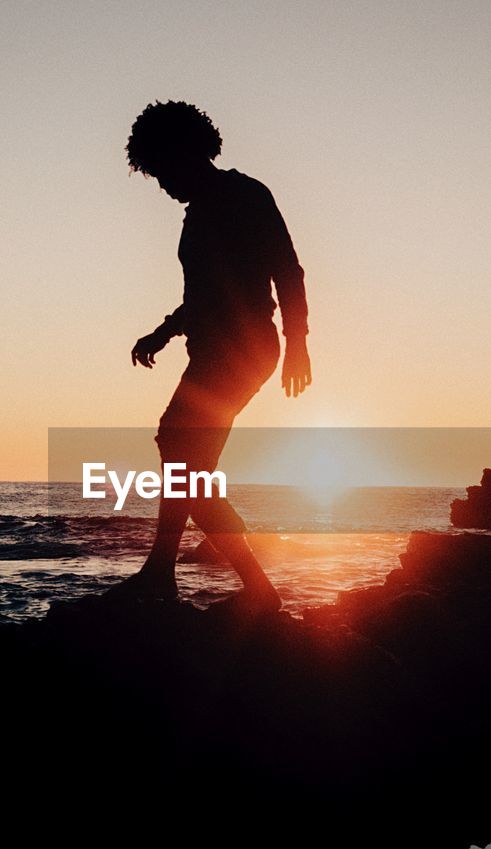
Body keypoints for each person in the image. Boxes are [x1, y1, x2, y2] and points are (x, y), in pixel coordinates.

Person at [106, 100, 312, 615]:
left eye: (161, 170)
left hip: (244, 350)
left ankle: (225, 585)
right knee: (187, 463)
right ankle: (176, 576)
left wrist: (299, 343)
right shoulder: (197, 215)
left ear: (187, 151)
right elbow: (203, 296)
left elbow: (288, 271)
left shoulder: (246, 195)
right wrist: (163, 333)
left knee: (179, 450)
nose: (161, 185)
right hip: (211, 350)